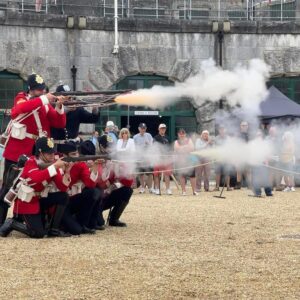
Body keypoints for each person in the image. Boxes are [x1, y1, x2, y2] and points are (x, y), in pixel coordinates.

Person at [0, 74, 66, 225]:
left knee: (31, 185)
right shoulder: (22, 97)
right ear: (30, 89)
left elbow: (59, 122)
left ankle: (19, 219)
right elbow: (20, 109)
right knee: (8, 187)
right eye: (37, 89)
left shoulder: (43, 103)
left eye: (42, 89)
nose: (40, 92)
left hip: (38, 151)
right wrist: (44, 99)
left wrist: (60, 105)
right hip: (17, 151)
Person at [0, 137, 70, 238]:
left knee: (63, 196)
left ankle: (54, 230)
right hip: (27, 202)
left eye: (53, 153)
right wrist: (54, 167)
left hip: (39, 200)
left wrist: (67, 172)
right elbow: (35, 178)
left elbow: (63, 188)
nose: (52, 156)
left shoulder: (51, 165)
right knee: (38, 234)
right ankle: (12, 223)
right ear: (40, 153)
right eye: (49, 153)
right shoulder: (31, 162)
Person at [59, 141, 100, 235]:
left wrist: (95, 168)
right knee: (74, 230)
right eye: (73, 154)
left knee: (92, 192)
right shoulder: (58, 165)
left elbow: (90, 184)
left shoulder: (80, 165)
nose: (77, 156)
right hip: (60, 201)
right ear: (65, 155)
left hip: (71, 199)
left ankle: (83, 224)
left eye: (77, 153)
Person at [51, 84, 100, 151]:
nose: (69, 99)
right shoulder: (52, 107)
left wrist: (95, 108)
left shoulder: (77, 109)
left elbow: (93, 119)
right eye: (66, 97)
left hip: (73, 146)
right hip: (58, 146)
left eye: (70, 97)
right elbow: (55, 116)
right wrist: (66, 109)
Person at [174, 129, 198, 196]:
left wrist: (181, 148)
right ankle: (183, 191)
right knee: (182, 176)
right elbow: (176, 149)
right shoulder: (176, 141)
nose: (182, 135)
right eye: (180, 133)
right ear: (178, 134)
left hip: (190, 160)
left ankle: (194, 191)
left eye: (183, 133)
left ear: (185, 134)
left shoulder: (189, 140)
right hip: (181, 161)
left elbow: (192, 148)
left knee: (192, 176)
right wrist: (185, 147)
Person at [251, 130, 273, 197]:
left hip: (264, 163)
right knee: (256, 178)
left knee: (266, 178)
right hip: (256, 164)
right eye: (257, 135)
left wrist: (266, 162)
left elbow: (268, 154)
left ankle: (268, 192)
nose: (259, 137)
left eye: (260, 135)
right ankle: (257, 193)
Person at [133, 123, 154, 194]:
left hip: (148, 157)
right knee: (141, 173)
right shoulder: (135, 137)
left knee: (150, 173)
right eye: (141, 128)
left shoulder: (149, 135)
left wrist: (148, 144)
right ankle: (142, 187)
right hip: (139, 157)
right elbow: (134, 148)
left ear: (146, 129)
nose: (143, 129)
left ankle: (150, 188)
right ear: (139, 129)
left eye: (144, 128)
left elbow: (152, 145)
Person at [153, 124, 172, 195]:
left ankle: (168, 189)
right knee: (156, 174)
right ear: (159, 129)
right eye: (161, 128)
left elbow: (170, 148)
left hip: (166, 159)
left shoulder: (168, 137)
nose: (163, 130)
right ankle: (157, 189)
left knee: (167, 174)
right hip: (158, 159)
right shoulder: (155, 138)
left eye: (164, 128)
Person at [214, 125, 233, 192]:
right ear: (219, 131)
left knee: (227, 172)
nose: (222, 131)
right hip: (218, 158)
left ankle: (228, 186)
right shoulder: (216, 138)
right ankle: (217, 187)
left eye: (223, 129)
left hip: (226, 158)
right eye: (220, 129)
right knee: (217, 173)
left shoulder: (228, 138)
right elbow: (214, 148)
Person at [235, 120, 251, 189]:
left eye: (245, 125)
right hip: (239, 154)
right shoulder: (238, 135)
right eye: (242, 125)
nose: (244, 127)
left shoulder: (249, 135)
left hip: (247, 154)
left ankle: (249, 184)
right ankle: (238, 184)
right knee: (238, 170)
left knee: (247, 170)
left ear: (247, 126)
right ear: (240, 126)